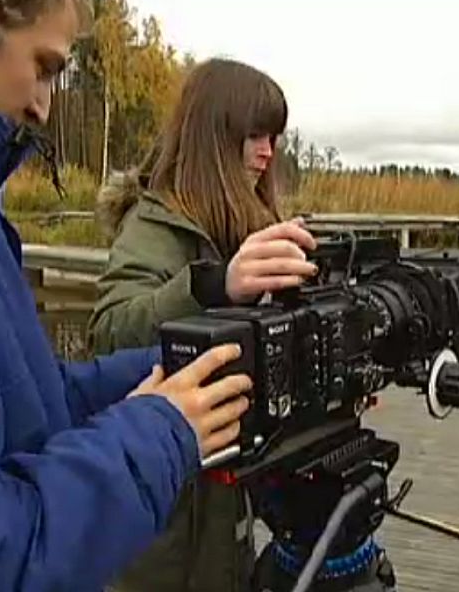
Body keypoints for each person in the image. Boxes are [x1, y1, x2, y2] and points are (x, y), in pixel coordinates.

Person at [0, 0, 252, 590]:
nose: (43, 108)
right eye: (42, 67)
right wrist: (164, 431)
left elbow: (34, 401)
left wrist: (211, 355)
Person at [88, 58, 319, 592]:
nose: (267, 153)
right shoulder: (153, 225)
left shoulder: (248, 225)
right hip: (164, 516)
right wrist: (214, 285)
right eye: (254, 135)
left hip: (229, 500)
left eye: (274, 137)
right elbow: (109, 333)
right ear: (214, 139)